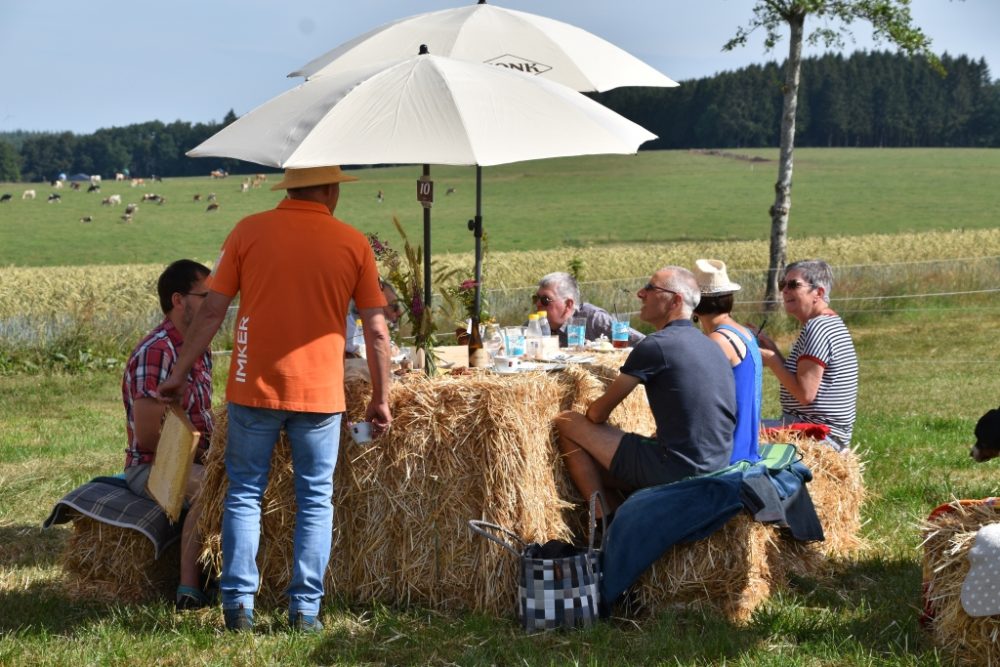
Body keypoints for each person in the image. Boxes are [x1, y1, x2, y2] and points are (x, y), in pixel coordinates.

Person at [157, 165, 393, 633]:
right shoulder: (352, 243)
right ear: (329, 190)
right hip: (320, 394)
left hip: (254, 387)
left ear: (291, 188)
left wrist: (180, 372)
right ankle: (305, 611)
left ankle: (238, 605)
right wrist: (382, 397)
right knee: (315, 499)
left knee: (244, 492)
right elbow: (377, 328)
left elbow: (213, 312)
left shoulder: (248, 231)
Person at [554, 267, 736, 519]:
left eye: (651, 288)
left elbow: (597, 414)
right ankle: (625, 516)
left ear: (676, 300)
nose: (641, 293)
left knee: (568, 422)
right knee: (595, 462)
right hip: (716, 466)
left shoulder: (656, 345)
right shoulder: (710, 344)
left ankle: (603, 523)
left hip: (679, 469)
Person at [122, 259, 214, 610]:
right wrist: (206, 458)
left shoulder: (197, 349)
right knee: (215, 487)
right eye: (206, 296)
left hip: (192, 457)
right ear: (179, 300)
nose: (214, 305)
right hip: (150, 466)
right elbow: (148, 438)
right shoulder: (158, 351)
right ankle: (189, 587)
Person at [757, 259, 858, 451]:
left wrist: (771, 359)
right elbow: (803, 378)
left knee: (735, 434)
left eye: (793, 284)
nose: (785, 290)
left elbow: (805, 394)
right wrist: (773, 349)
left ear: (818, 293)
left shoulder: (817, 328)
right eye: (782, 284)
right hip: (821, 431)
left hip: (817, 435)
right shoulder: (827, 323)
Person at [692, 259, 762, 464]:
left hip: (725, 454)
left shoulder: (718, 341)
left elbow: (698, 397)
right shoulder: (744, 332)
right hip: (745, 445)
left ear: (694, 304)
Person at [534, 272, 644, 348]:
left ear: (568, 304)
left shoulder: (594, 319)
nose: (538, 304)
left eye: (545, 300)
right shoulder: (534, 325)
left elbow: (644, 344)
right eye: (536, 298)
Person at [346, 279, 402, 357]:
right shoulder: (349, 320)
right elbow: (356, 346)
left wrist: (390, 346)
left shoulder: (374, 322)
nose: (400, 312)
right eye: (394, 307)